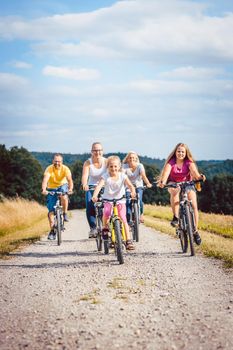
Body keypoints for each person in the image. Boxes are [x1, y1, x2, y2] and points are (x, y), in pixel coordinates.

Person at [158, 143, 205, 245]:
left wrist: (199, 177)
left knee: (193, 205)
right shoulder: (171, 162)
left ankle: (195, 231)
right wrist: (163, 182)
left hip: (188, 183)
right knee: (175, 191)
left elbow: (195, 173)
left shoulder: (189, 162)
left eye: (183, 151)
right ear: (175, 152)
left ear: (186, 153)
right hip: (173, 183)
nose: (180, 153)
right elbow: (165, 175)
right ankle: (176, 217)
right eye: (179, 151)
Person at [92, 155, 136, 250]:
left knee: (123, 218)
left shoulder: (123, 176)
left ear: (119, 166)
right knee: (106, 214)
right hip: (108, 200)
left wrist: (132, 192)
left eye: (115, 166)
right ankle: (105, 228)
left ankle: (128, 240)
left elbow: (130, 185)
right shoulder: (105, 176)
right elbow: (99, 186)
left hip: (120, 200)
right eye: (111, 166)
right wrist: (95, 195)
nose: (113, 168)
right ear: (107, 167)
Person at [41, 153, 73, 240]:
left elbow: (70, 180)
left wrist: (70, 189)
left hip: (62, 185)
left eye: (59, 161)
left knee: (64, 195)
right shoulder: (49, 169)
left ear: (62, 162)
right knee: (51, 211)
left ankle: (65, 213)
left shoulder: (65, 169)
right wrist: (44, 189)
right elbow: (45, 180)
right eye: (55, 161)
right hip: (51, 188)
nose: (57, 163)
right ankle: (52, 231)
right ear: (53, 161)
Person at [81, 142, 107, 238]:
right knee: (90, 204)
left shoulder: (107, 161)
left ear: (102, 151)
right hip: (91, 186)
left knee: (108, 204)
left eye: (99, 150)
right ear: (92, 152)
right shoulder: (88, 162)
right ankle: (93, 228)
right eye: (95, 150)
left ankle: (110, 226)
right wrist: (84, 184)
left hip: (105, 186)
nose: (97, 152)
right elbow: (85, 176)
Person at [122, 151, 152, 223]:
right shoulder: (124, 166)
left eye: (133, 157)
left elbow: (143, 175)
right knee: (127, 201)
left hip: (138, 185)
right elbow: (122, 175)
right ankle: (128, 219)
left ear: (136, 158)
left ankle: (141, 214)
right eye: (130, 158)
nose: (132, 159)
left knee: (140, 201)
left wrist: (148, 183)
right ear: (127, 159)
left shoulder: (140, 166)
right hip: (128, 186)